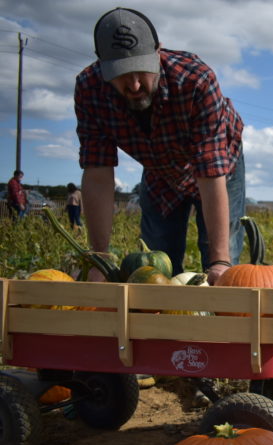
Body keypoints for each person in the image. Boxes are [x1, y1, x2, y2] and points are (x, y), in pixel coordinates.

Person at [75, 7, 244, 284]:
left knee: (220, 268)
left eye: (142, 70)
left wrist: (220, 261)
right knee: (155, 263)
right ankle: (161, 326)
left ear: (158, 52)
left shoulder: (196, 80)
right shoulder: (89, 89)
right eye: (121, 74)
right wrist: (99, 258)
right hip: (159, 168)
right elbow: (97, 173)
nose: (135, 84)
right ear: (101, 64)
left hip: (219, 168)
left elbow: (210, 173)